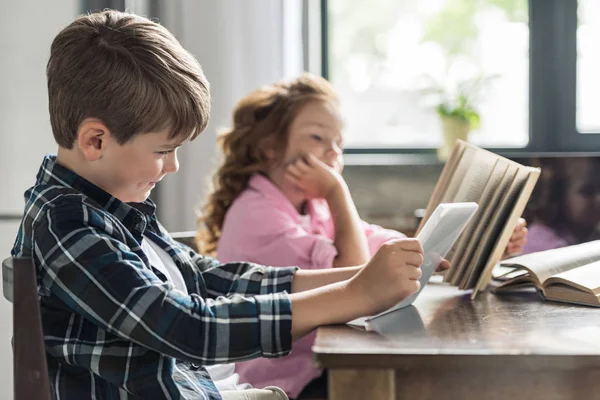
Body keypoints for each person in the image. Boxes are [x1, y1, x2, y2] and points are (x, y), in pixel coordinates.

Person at [11, 11, 436, 400]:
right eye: (163, 150)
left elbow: (208, 280)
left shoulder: (112, 208)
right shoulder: (67, 226)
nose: (173, 166)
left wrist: (363, 275)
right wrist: (355, 294)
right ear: (95, 141)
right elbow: (189, 327)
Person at [196, 73, 528, 399]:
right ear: (270, 148)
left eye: (339, 142)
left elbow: (376, 241)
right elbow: (357, 280)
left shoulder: (310, 207)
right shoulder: (256, 213)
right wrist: (336, 190)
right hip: (292, 380)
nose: (333, 152)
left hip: (324, 362)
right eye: (317, 138)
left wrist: (480, 243)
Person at [521, 157, 600, 254]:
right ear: (559, 195)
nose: (598, 198)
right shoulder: (541, 240)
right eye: (587, 191)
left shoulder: (587, 233)